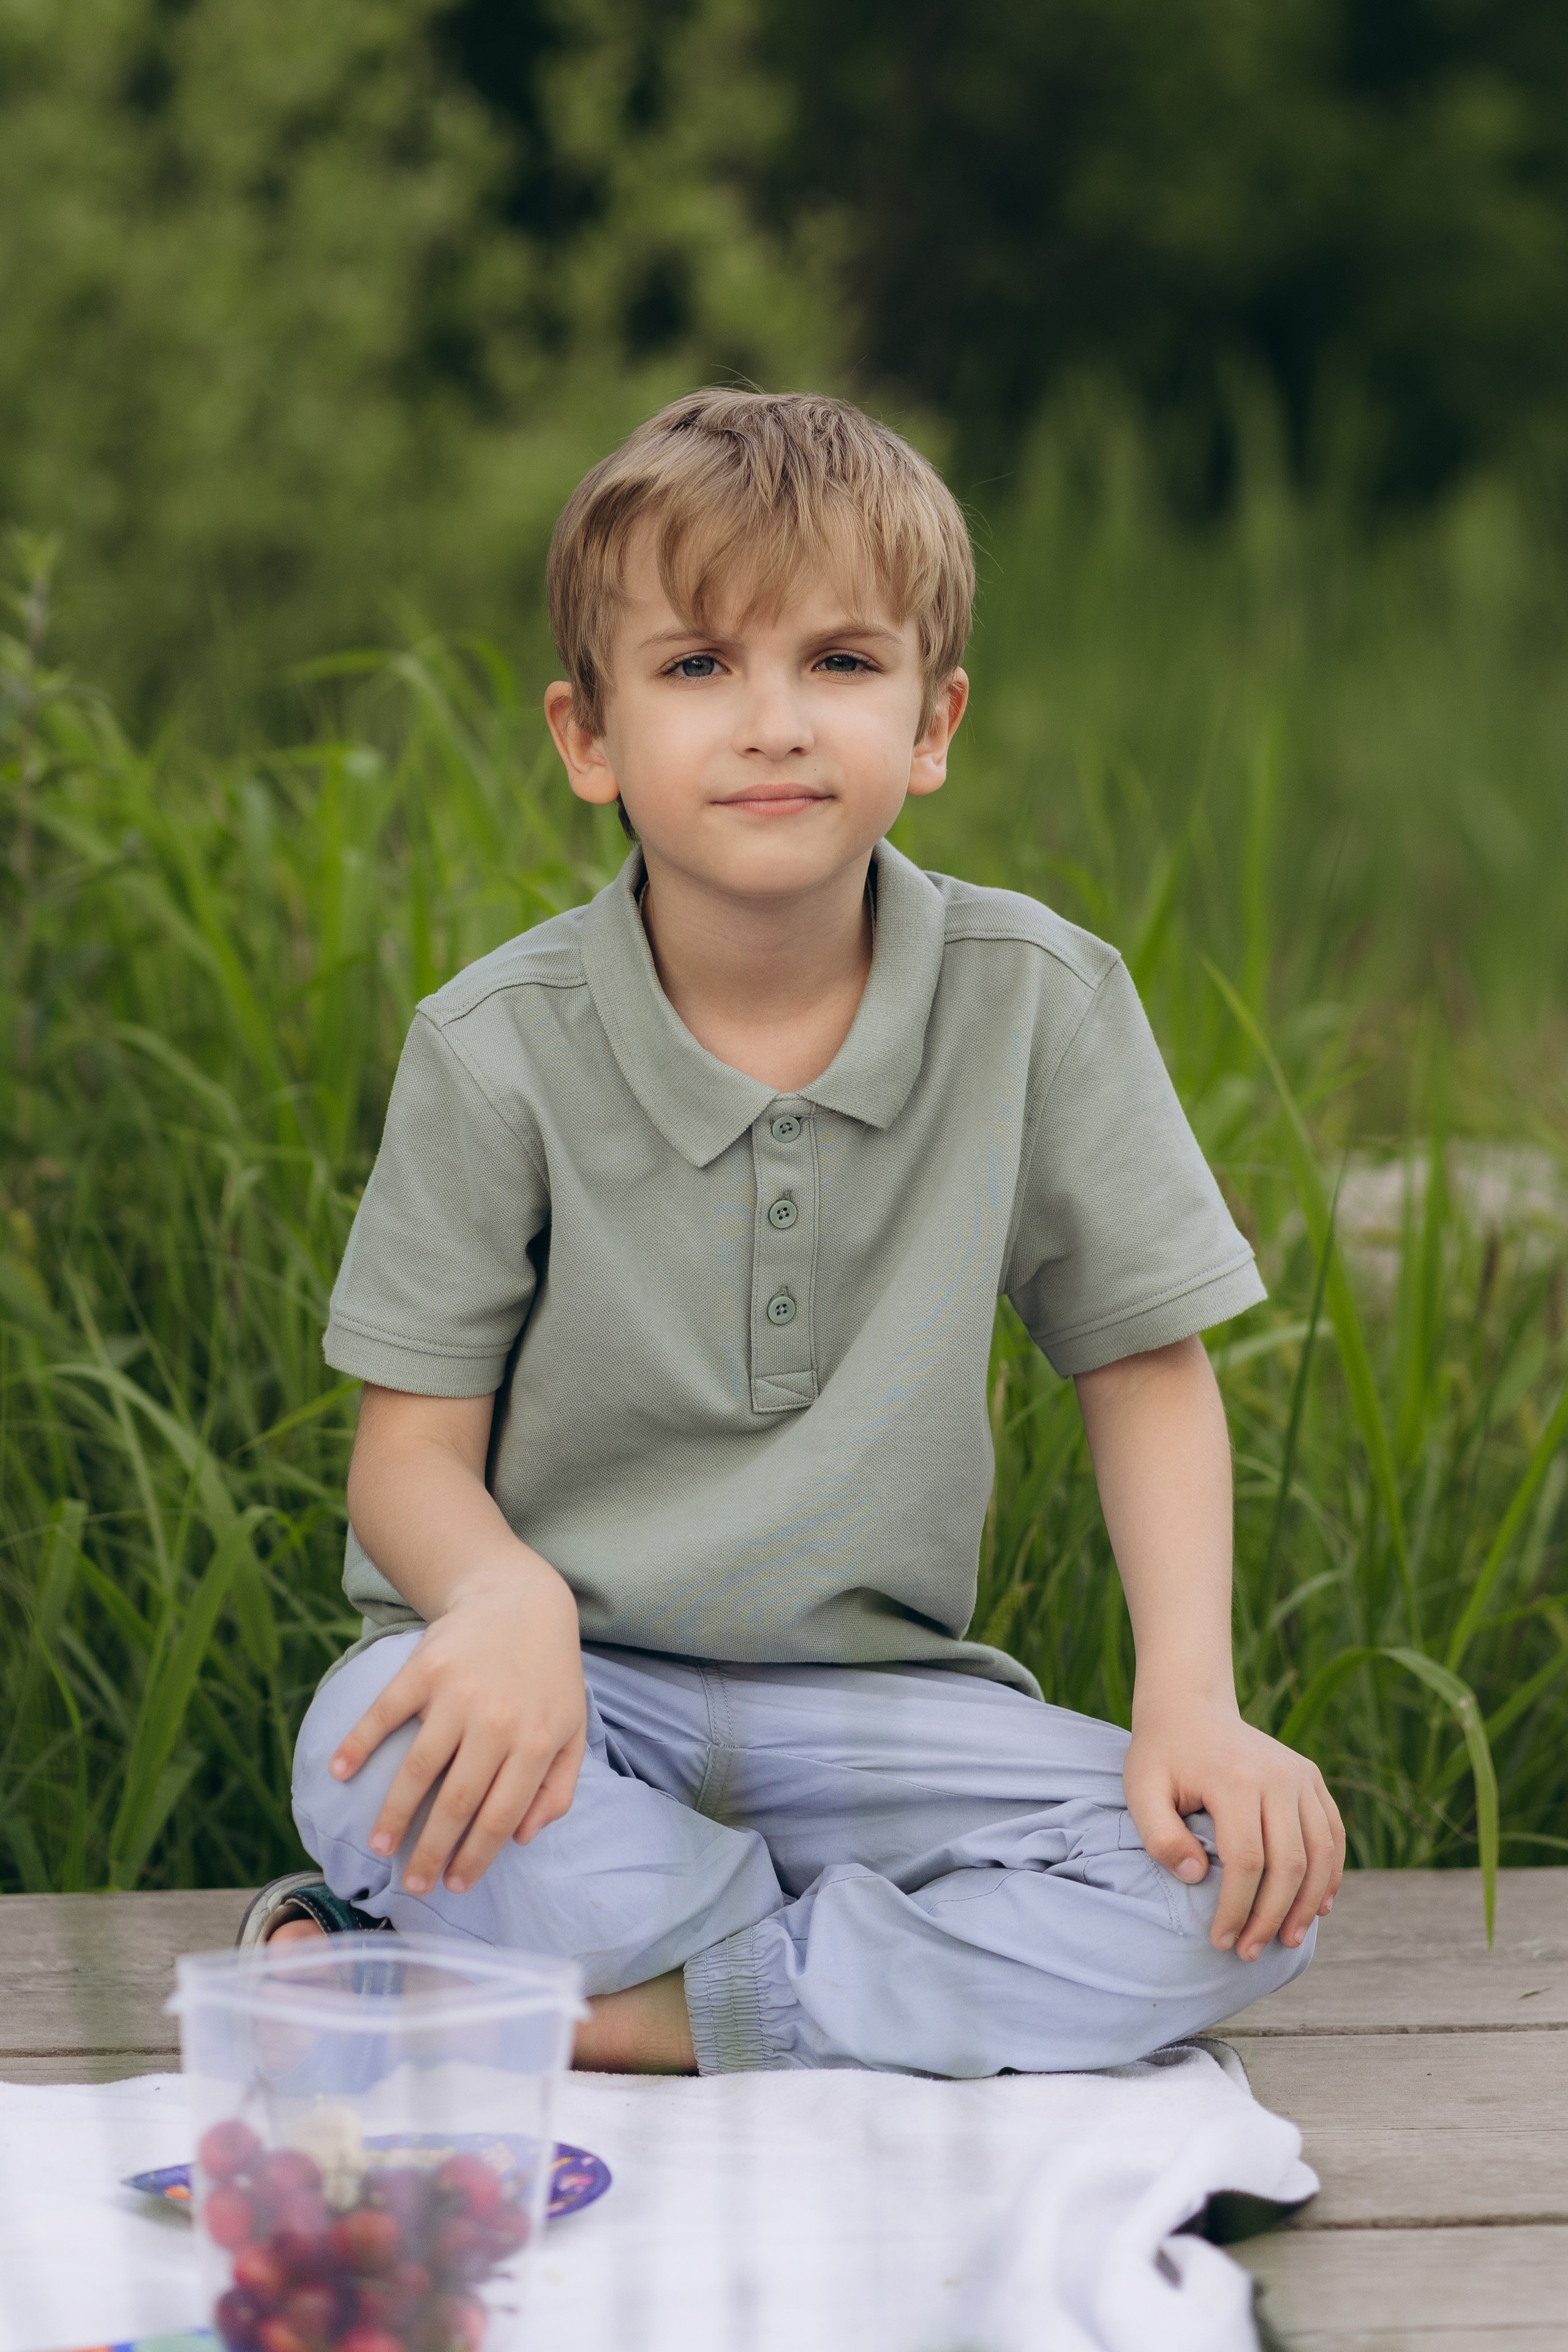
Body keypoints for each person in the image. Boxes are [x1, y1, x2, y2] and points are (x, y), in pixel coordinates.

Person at [252, 388, 1343, 2078]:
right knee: (361, 1748)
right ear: (588, 736)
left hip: (888, 1722)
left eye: (839, 662)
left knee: (1240, 1882)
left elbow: (1145, 1369)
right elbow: (404, 1463)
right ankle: (839, 1979)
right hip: (578, 1697)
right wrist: (507, 1601)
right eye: (697, 666)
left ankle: (585, 2004)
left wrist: (1190, 1701)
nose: (773, 722)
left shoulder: (1038, 1003)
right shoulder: (497, 1044)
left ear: (934, 722)